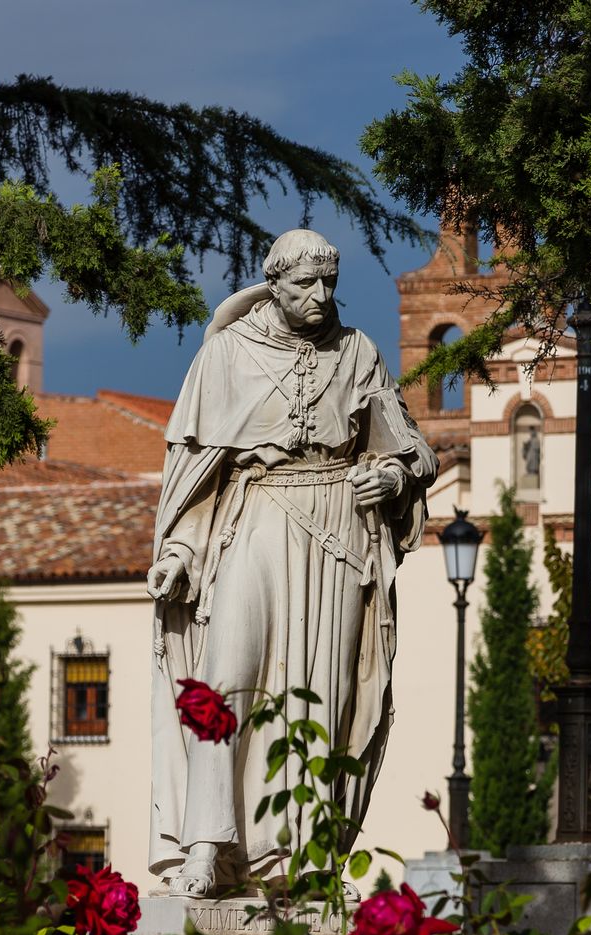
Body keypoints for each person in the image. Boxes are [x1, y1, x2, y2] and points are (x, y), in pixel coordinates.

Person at [146, 229, 438, 897]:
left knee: (320, 695)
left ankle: (303, 866)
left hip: (338, 537)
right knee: (225, 682)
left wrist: (392, 478)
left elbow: (415, 450)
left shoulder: (357, 353)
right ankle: (206, 846)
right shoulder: (226, 355)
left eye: (329, 284)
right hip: (256, 519)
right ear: (274, 286)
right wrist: (182, 550)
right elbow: (200, 472)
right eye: (305, 285)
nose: (320, 296)